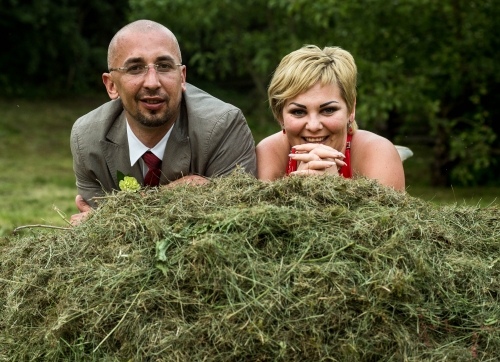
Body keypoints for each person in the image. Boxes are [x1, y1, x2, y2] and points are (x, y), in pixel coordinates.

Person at [70, 20, 257, 224]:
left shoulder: (224, 127)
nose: (152, 83)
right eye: (135, 68)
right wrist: (184, 190)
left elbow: (234, 224)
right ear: (111, 85)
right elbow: (93, 237)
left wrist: (111, 217)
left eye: (164, 66)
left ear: (182, 77)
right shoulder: (87, 138)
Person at [256, 45, 405, 190]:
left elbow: (385, 215)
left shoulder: (377, 152)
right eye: (298, 112)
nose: (313, 126)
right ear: (279, 114)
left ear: (351, 110)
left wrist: (333, 187)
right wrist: (296, 186)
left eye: (328, 110)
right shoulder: (269, 153)